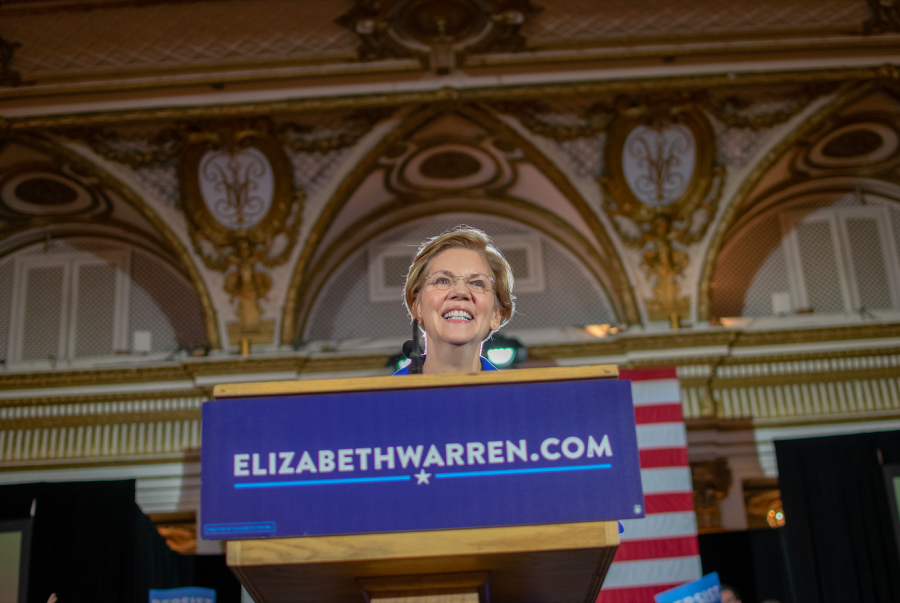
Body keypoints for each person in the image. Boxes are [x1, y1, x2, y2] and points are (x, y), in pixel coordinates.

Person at [394, 225, 515, 375]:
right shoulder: (381, 397)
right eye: (443, 281)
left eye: (477, 283)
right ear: (417, 307)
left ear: (496, 315)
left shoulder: (519, 397)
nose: (461, 291)